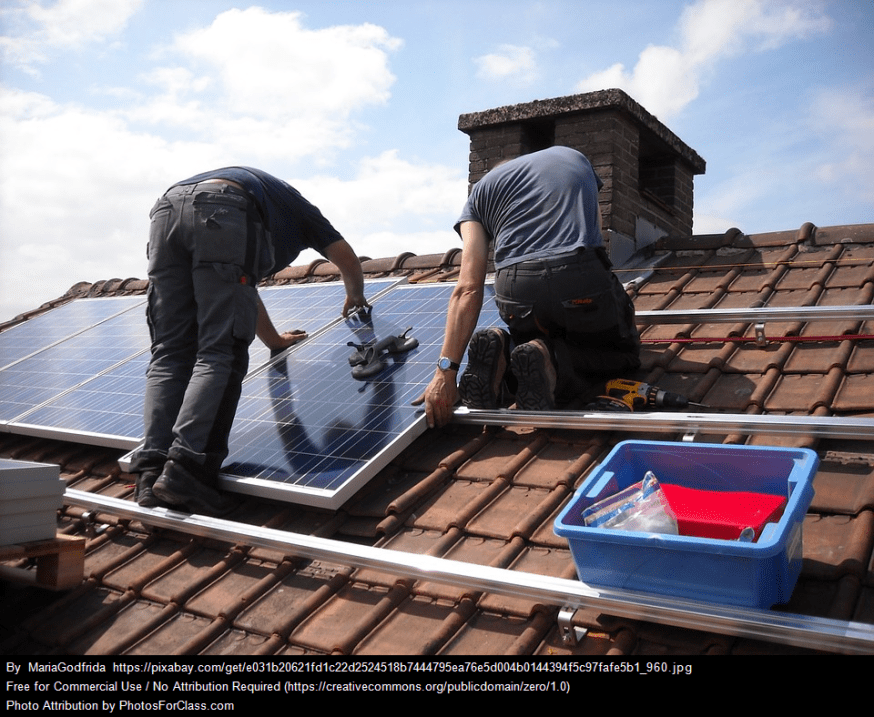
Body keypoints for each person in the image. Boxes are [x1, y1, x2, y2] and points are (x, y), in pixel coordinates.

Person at [130, 166, 369, 513]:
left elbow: (240, 292)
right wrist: (356, 296)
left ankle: (150, 475)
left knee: (169, 353)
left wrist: (274, 341)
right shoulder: (302, 212)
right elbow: (346, 257)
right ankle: (187, 471)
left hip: (167, 210)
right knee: (220, 353)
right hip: (222, 208)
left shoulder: (269, 202)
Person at [416, 146, 640, 428]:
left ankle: (504, 349)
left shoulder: (478, 195)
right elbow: (596, 241)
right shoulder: (573, 156)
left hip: (516, 289)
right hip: (578, 274)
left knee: (532, 337)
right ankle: (554, 362)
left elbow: (468, 287)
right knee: (624, 354)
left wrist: (445, 372)